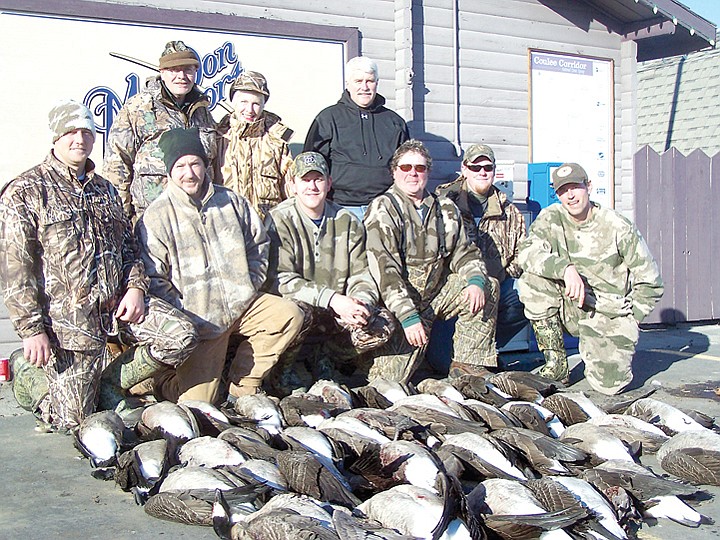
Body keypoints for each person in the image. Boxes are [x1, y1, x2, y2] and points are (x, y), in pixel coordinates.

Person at [0, 101, 198, 431]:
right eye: (71, 132)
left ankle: (107, 381)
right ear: (55, 137)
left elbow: (129, 247)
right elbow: (15, 270)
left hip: (117, 307)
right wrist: (32, 330)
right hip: (69, 326)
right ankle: (30, 377)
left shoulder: (104, 188)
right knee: (75, 423)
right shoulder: (26, 191)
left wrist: (135, 288)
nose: (79, 139)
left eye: (87, 132)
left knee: (181, 336)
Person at [136, 127, 303, 403]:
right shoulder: (157, 217)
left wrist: (248, 284)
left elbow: (258, 245)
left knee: (288, 314)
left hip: (243, 305)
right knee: (199, 404)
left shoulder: (231, 201)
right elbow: (154, 279)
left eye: (195, 163)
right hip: (199, 322)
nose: (189, 173)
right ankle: (159, 381)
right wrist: (185, 315)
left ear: (205, 165)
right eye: (180, 166)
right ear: (169, 171)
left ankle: (244, 384)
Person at [517, 162, 663, 394]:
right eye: (563, 191)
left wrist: (632, 318)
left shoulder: (617, 226)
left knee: (610, 387)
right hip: (569, 303)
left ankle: (603, 348)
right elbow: (526, 253)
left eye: (575, 187)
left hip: (606, 311)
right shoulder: (551, 218)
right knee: (532, 280)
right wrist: (565, 269)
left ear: (589, 187)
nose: (570, 196)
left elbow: (651, 282)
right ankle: (557, 365)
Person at [364, 140, 499, 383]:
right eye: (406, 168)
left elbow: (465, 252)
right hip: (399, 307)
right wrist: (408, 316)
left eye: (420, 167)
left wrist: (475, 280)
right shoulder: (383, 208)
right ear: (394, 171)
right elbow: (386, 272)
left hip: (434, 297)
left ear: (428, 171)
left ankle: (468, 365)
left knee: (487, 285)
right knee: (388, 384)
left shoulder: (445, 207)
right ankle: (353, 362)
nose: (413, 173)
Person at [264, 152, 395, 394]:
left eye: (318, 179)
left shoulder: (347, 220)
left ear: (329, 183)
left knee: (381, 322)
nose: (312, 186)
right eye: (305, 180)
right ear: (292, 185)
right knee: (296, 312)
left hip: (336, 316)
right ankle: (283, 374)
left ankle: (328, 359)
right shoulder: (278, 219)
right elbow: (279, 279)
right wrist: (334, 300)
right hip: (300, 314)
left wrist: (361, 303)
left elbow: (362, 272)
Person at [104, 40, 217, 221]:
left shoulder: (203, 111)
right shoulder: (138, 108)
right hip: (152, 221)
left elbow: (213, 166)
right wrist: (122, 221)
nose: (182, 76)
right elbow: (117, 165)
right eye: (174, 70)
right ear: (162, 73)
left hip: (199, 219)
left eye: (188, 70)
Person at [436, 144, 527, 350]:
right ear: (465, 169)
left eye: (487, 167)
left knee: (528, 290)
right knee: (442, 362)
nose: (482, 172)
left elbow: (522, 253)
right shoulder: (444, 205)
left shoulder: (509, 211)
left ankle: (486, 346)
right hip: (455, 291)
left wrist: (496, 276)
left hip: (494, 288)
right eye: (475, 167)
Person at [303, 56, 409, 218]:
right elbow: (312, 164)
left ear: (377, 83)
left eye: (370, 81)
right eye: (358, 81)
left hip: (384, 208)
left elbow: (406, 166)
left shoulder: (394, 122)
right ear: (348, 84)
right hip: (339, 207)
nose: (364, 87)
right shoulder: (328, 118)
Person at [216, 70, 294, 221]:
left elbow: (290, 191)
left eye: (256, 104)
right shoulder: (218, 138)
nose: (250, 110)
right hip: (228, 224)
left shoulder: (277, 141)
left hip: (269, 228)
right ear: (233, 102)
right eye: (243, 102)